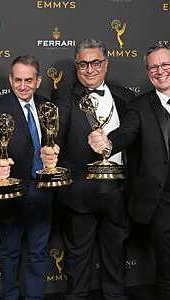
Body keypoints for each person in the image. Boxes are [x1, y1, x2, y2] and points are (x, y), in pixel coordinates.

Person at [94, 44, 170, 300]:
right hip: (164, 201)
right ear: (148, 72)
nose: (160, 71)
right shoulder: (139, 105)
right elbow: (125, 133)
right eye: (153, 67)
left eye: (165, 65)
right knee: (168, 275)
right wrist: (106, 143)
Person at [54, 39, 134, 300]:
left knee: (115, 257)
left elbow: (134, 135)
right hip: (79, 193)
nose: (90, 69)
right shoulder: (65, 95)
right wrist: (50, 149)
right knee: (78, 263)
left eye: (96, 62)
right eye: (83, 64)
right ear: (77, 66)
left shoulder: (125, 96)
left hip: (117, 193)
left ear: (106, 64)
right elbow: (57, 131)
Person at [0, 55, 57, 300]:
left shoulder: (48, 107)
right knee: (10, 253)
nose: (22, 86)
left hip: (43, 191)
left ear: (38, 81)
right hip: (11, 193)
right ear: (11, 80)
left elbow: (57, 142)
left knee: (38, 253)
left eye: (28, 80)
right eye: (17, 80)